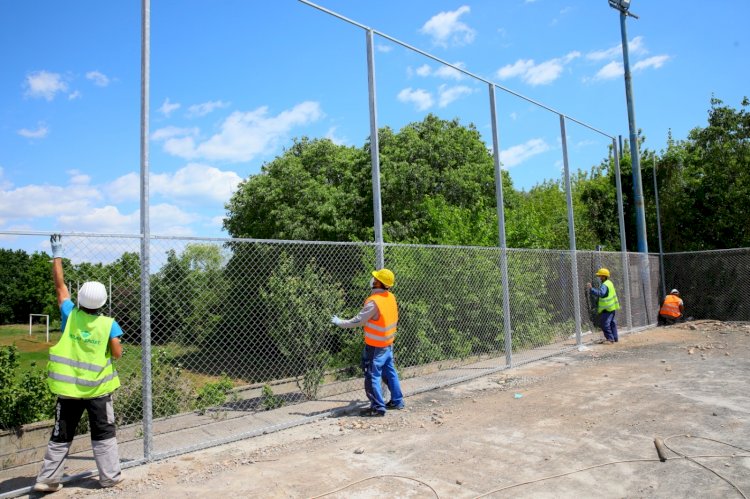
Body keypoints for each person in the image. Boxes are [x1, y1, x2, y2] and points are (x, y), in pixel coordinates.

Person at [34, 235, 124, 493]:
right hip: (98, 391)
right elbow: (117, 354)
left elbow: (60, 287)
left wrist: (57, 254)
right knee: (104, 434)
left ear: (81, 299)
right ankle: (109, 477)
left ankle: (48, 479)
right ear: (103, 303)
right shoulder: (109, 324)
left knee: (61, 435)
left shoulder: (69, 315)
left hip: (68, 391)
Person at [331, 268, 404, 417]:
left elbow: (358, 320)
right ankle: (397, 401)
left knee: (372, 375)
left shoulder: (374, 302)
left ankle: (377, 408)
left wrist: (340, 322)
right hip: (388, 343)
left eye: (375, 278)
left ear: (379, 283)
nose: (372, 279)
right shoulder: (390, 297)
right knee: (390, 373)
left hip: (375, 346)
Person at [586, 268, 621, 344]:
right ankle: (615, 338)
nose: (599, 277)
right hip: (611, 307)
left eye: (600, 276)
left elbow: (601, 293)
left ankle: (610, 339)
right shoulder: (609, 283)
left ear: (604, 276)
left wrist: (591, 289)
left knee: (605, 324)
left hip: (607, 308)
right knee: (612, 323)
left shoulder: (604, 285)